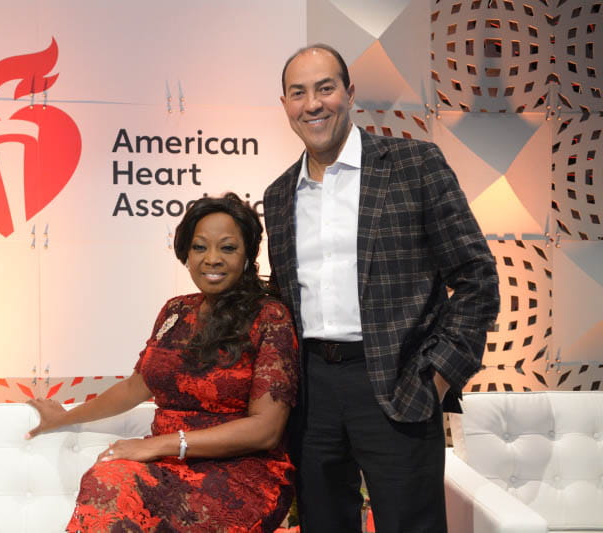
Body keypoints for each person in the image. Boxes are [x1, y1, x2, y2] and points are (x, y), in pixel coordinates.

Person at [263, 44, 500, 532]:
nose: (313, 104)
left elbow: (477, 278)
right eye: (298, 93)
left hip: (399, 381)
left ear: (349, 94)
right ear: (284, 104)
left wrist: (437, 377)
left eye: (325, 88)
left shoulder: (415, 165)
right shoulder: (279, 194)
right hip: (311, 392)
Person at [26, 192, 299, 532]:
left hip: (239, 474)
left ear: (247, 256)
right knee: (106, 479)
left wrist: (159, 444)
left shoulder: (270, 317)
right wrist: (66, 417)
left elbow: (265, 430)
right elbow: (135, 387)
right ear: (186, 254)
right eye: (200, 247)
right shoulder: (176, 310)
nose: (212, 259)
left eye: (228, 248)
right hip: (164, 466)